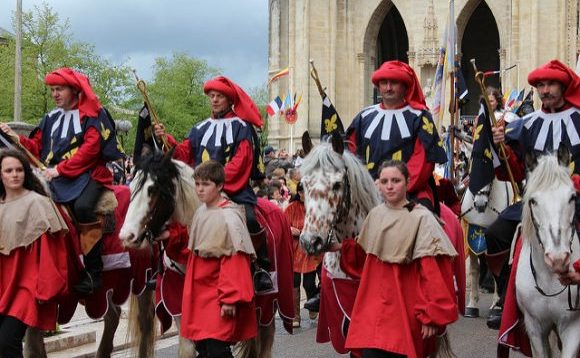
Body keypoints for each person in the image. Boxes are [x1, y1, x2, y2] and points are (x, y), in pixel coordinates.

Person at [0, 68, 123, 295]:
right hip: (54, 175)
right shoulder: (50, 118)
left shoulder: (93, 115)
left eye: (60, 89)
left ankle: (94, 271)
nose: (55, 94)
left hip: (89, 174)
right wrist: (16, 139)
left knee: (84, 207)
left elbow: (90, 150)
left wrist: (60, 170)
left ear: (74, 90)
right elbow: (38, 148)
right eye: (53, 90)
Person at [154, 75, 273, 292]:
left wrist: (215, 183)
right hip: (201, 191)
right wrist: (167, 139)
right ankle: (162, 267)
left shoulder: (242, 127)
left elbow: (242, 160)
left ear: (229, 100)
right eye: (212, 96)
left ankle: (259, 267)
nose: (215, 100)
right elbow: (184, 153)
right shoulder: (200, 128)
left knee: (249, 218)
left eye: (219, 96)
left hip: (232, 189)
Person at [488, 59, 580, 329]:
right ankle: (507, 297)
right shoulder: (526, 124)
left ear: (563, 87)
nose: (545, 90)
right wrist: (502, 149)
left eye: (551, 84)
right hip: (535, 203)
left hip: (575, 198)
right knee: (494, 234)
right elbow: (514, 172)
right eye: (541, 85)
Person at [344, 160, 458, 358]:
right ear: (378, 183)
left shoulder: (422, 218)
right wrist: (341, 248)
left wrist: (430, 315)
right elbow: (363, 260)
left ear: (407, 181)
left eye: (396, 180)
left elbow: (432, 273)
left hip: (405, 311)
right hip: (374, 310)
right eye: (384, 180)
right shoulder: (375, 215)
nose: (389, 186)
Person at [346, 60, 447, 213]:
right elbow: (350, 154)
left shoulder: (420, 117)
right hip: (367, 190)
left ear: (404, 86)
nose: (388, 88)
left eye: (393, 83)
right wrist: (366, 185)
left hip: (410, 191)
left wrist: (392, 186)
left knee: (426, 218)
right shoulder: (363, 117)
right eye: (384, 83)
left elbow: (423, 162)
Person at [180, 160, 257, 357]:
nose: (199, 189)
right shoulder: (200, 212)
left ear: (220, 185)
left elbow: (234, 262)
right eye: (197, 184)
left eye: (205, 184)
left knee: (217, 350)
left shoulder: (229, 216)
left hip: (217, 297)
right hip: (200, 295)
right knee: (203, 348)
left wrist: (229, 299)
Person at [0, 149, 70, 357]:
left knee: (6, 342)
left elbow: (52, 253)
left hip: (25, 287)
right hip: (2, 283)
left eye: (19, 170)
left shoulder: (38, 203)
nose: (14, 174)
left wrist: (46, 287)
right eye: (9, 170)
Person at [284, 182, 322, 327]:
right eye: (301, 192)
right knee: (294, 283)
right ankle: (295, 316)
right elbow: (282, 225)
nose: (303, 195)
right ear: (298, 192)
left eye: (306, 191)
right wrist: (290, 229)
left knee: (309, 283)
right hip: (294, 250)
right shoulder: (291, 208)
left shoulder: (316, 208)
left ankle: (312, 303)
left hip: (311, 251)